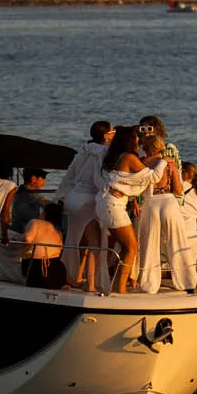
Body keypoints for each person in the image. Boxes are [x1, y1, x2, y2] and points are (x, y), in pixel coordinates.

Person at [96, 125, 165, 294]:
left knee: (127, 247)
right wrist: (163, 160)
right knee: (131, 247)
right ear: (129, 140)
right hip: (113, 205)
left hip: (106, 202)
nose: (138, 140)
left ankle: (117, 284)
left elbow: (125, 181)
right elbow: (154, 177)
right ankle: (119, 287)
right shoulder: (128, 157)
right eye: (135, 137)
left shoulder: (111, 156)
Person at [59, 121, 114, 289]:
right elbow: (102, 179)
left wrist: (60, 197)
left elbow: (69, 176)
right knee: (94, 244)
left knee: (76, 240)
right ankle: (91, 283)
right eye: (112, 131)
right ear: (105, 136)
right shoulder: (104, 153)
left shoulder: (83, 151)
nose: (114, 134)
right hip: (89, 201)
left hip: (73, 198)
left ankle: (74, 275)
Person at [133, 131, 183, 294]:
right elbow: (178, 190)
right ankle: (184, 281)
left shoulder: (141, 163)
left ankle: (149, 285)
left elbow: (136, 188)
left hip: (150, 203)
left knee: (149, 245)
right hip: (169, 202)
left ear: (146, 148)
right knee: (176, 242)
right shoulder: (169, 164)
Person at [173, 163, 197, 291]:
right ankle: (190, 286)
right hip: (190, 237)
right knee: (189, 266)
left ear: (182, 174)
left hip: (171, 233)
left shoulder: (173, 188)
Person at [8, 168, 52, 237]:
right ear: (33, 179)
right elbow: (47, 204)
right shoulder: (30, 193)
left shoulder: (20, 190)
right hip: (24, 231)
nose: (44, 183)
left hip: (17, 228)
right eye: (42, 179)